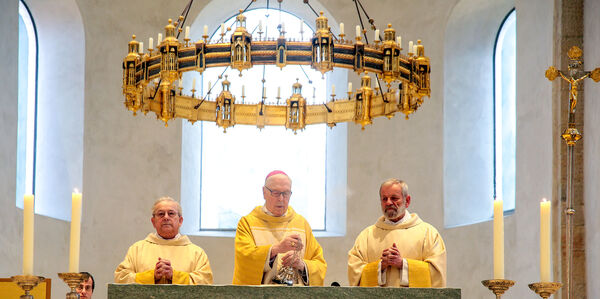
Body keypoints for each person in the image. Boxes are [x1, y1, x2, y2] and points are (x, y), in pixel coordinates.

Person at [232, 170, 327, 285]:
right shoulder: (248, 223)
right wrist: (276, 249)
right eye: (276, 193)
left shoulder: (301, 224)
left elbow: (319, 264)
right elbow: (244, 259)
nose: (281, 199)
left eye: (286, 193)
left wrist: (302, 265)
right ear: (264, 192)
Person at [348, 179, 446, 287]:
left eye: (394, 198)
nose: (388, 202)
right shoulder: (366, 236)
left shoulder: (429, 234)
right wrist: (380, 266)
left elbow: (436, 274)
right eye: (384, 199)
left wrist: (403, 264)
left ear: (407, 201)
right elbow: (355, 272)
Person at [114, 197, 213, 285]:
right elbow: (121, 279)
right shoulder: (137, 249)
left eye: (171, 213)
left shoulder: (197, 253)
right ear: (153, 221)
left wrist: (175, 276)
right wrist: (151, 276)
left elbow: (205, 282)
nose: (166, 217)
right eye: (161, 214)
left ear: (180, 221)